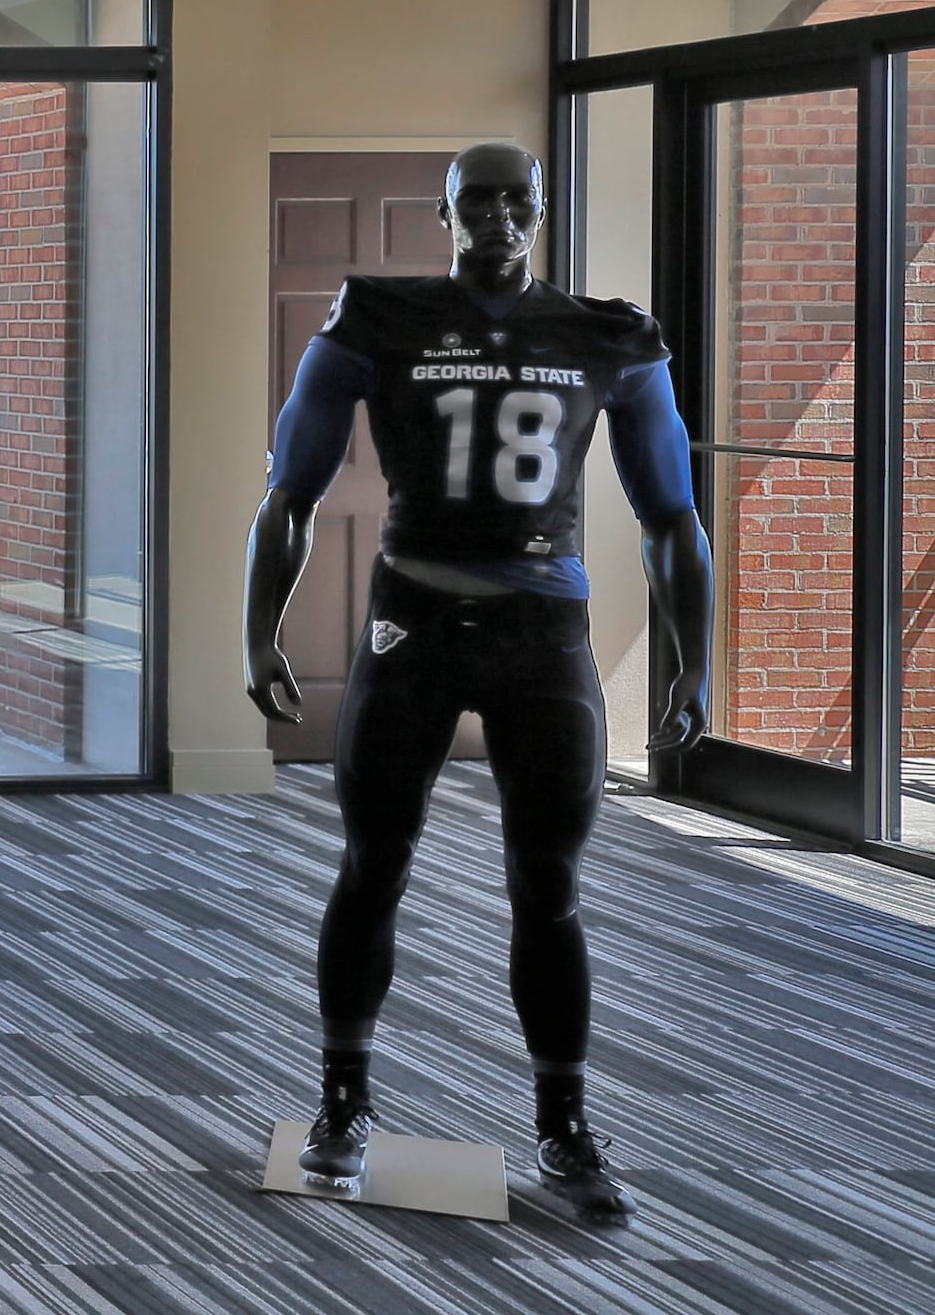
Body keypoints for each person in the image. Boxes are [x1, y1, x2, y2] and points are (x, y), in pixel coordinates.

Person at [243, 141, 711, 1224]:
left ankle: (564, 1122)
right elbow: (289, 491)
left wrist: (696, 656)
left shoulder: (609, 334)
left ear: (543, 211)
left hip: (543, 623)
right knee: (373, 864)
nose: (498, 215)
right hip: (415, 617)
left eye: (517, 199)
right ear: (443, 210)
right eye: (478, 199)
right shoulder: (376, 317)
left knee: (549, 883)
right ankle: (343, 1102)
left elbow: (671, 514)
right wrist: (258, 630)